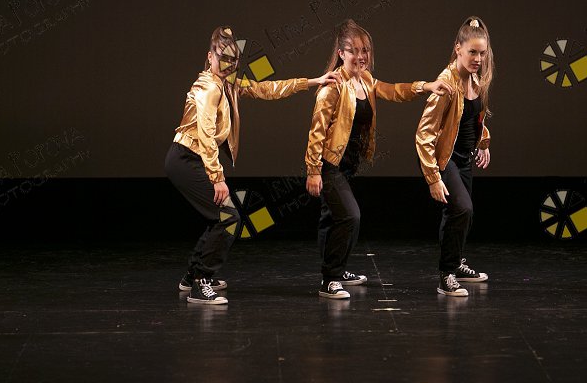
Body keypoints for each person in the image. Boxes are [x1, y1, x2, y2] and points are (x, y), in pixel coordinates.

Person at [165, 26, 340, 304]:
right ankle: (201, 282)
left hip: (194, 158)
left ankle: (192, 276)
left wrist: (312, 81)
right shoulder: (208, 88)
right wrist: (217, 177)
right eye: (222, 58)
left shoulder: (228, 83)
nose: (228, 65)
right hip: (186, 158)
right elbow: (205, 133)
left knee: (220, 217)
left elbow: (267, 89)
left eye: (233, 60)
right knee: (228, 218)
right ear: (210, 57)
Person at [305, 19, 453, 299]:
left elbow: (394, 90)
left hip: (348, 163)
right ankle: (330, 280)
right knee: (350, 216)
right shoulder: (332, 87)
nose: (361, 56)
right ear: (341, 53)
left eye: (365, 50)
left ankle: (335, 270)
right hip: (329, 164)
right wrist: (313, 170)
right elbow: (317, 132)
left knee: (331, 218)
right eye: (354, 51)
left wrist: (426, 86)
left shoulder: (366, 80)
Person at [415, 16, 494, 297]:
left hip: (464, 158)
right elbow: (423, 134)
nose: (478, 59)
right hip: (444, 158)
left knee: (461, 215)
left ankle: (457, 264)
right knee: (463, 209)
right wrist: (433, 177)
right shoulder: (446, 84)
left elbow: (474, 118)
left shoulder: (475, 79)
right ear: (458, 49)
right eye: (472, 52)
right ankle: (446, 275)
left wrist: (483, 143)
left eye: (482, 53)